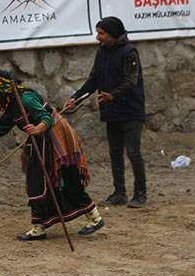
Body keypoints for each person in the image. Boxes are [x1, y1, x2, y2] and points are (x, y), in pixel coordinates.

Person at [0, 71, 104, 240]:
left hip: (55, 138)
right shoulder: (11, 105)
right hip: (38, 140)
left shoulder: (26, 100)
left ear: (2, 91)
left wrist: (37, 128)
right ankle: (39, 226)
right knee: (37, 180)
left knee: (61, 178)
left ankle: (93, 217)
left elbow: (46, 118)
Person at [63, 16, 147, 208]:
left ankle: (140, 194)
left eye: (101, 33)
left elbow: (131, 81)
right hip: (112, 111)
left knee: (133, 152)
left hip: (131, 110)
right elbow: (93, 81)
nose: (97, 37)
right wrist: (76, 98)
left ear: (112, 34)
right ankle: (119, 193)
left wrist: (113, 95)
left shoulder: (129, 52)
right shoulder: (101, 53)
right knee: (115, 154)